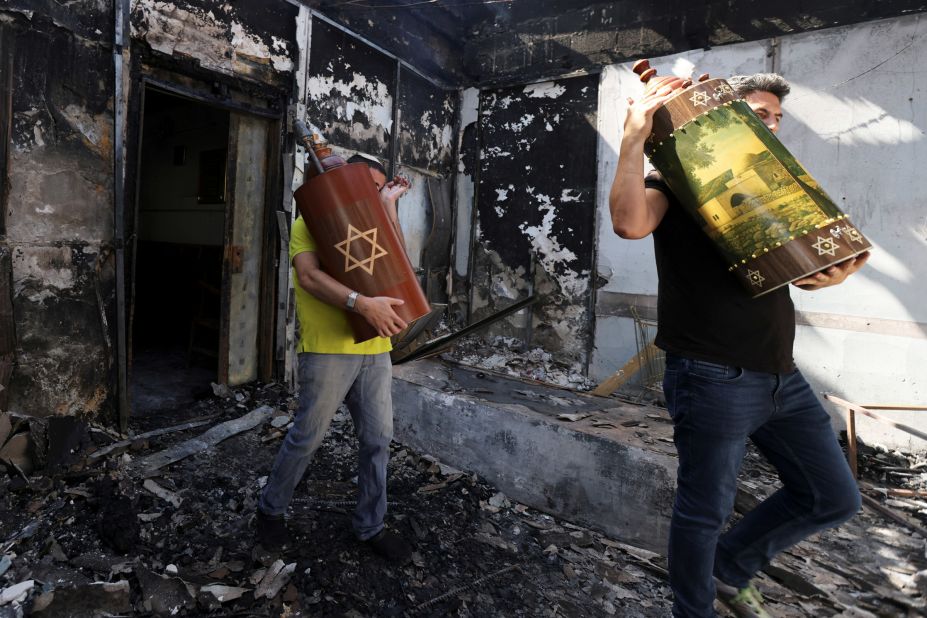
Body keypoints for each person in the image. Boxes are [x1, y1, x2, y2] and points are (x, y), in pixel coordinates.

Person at [608, 73, 870, 617]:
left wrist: (830, 274)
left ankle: (730, 568)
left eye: (775, 117)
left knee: (832, 497)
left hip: (781, 375)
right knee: (704, 511)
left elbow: (802, 272)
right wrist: (634, 138)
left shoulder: (769, 191)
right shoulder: (674, 182)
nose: (768, 123)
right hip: (711, 376)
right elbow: (629, 223)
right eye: (756, 112)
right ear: (718, 116)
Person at [256, 153, 412, 565]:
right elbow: (307, 277)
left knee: (378, 439)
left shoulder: (378, 223)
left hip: (375, 349)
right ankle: (270, 509)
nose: (376, 194)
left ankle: (370, 525)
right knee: (307, 437)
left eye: (380, 189)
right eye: (371, 187)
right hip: (328, 349)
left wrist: (391, 207)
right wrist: (362, 304)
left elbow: (399, 264)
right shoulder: (308, 222)